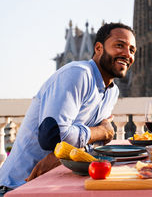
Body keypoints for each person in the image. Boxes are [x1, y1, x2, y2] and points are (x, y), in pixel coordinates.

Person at [0, 22, 136, 195]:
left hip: (56, 185)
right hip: (18, 187)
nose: (127, 54)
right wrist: (102, 132)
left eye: (132, 50)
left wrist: (61, 155)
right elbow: (52, 137)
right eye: (119, 45)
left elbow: (93, 145)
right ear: (99, 48)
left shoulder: (111, 92)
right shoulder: (78, 74)